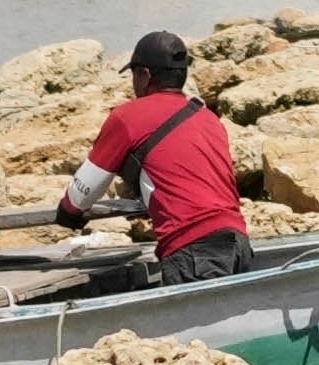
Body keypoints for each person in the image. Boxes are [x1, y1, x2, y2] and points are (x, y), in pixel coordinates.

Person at [62, 30, 253, 284]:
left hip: (193, 250)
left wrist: (66, 213)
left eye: (133, 75)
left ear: (145, 76)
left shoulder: (127, 117)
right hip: (238, 242)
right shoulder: (207, 117)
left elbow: (78, 199)